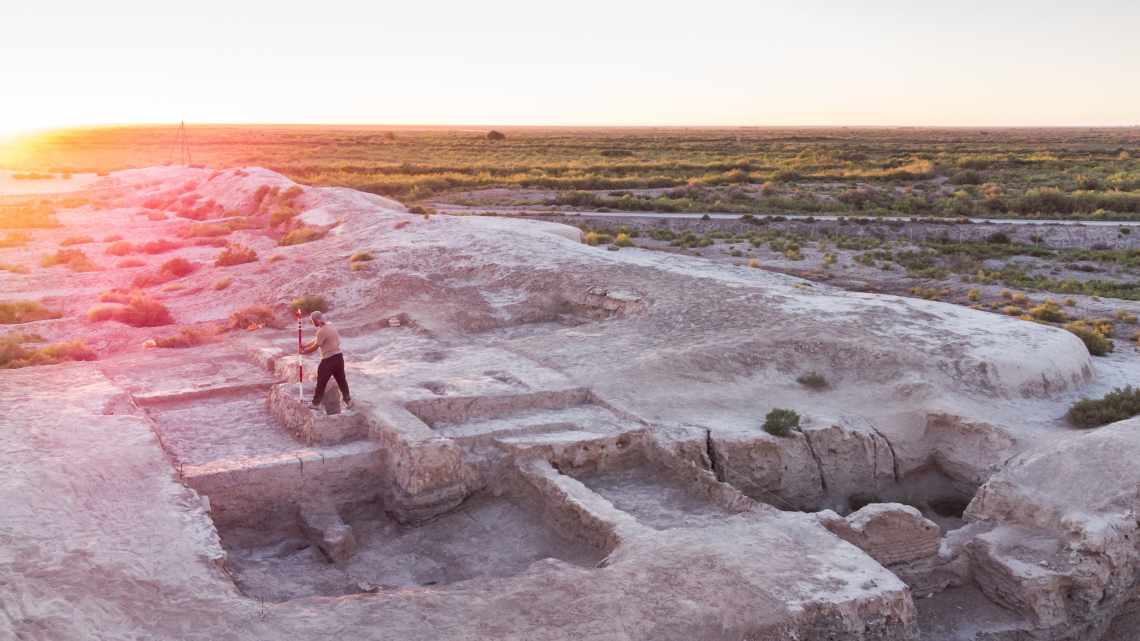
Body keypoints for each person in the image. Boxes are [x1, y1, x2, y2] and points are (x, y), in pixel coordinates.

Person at [302, 310, 352, 410]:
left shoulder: (322, 331)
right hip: (339, 357)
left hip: (328, 360)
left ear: (317, 320)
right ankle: (348, 401)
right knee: (341, 380)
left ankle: (315, 404)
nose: (313, 323)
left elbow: (316, 346)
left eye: (313, 321)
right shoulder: (330, 326)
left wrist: (304, 352)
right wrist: (305, 345)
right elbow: (317, 339)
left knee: (321, 382)